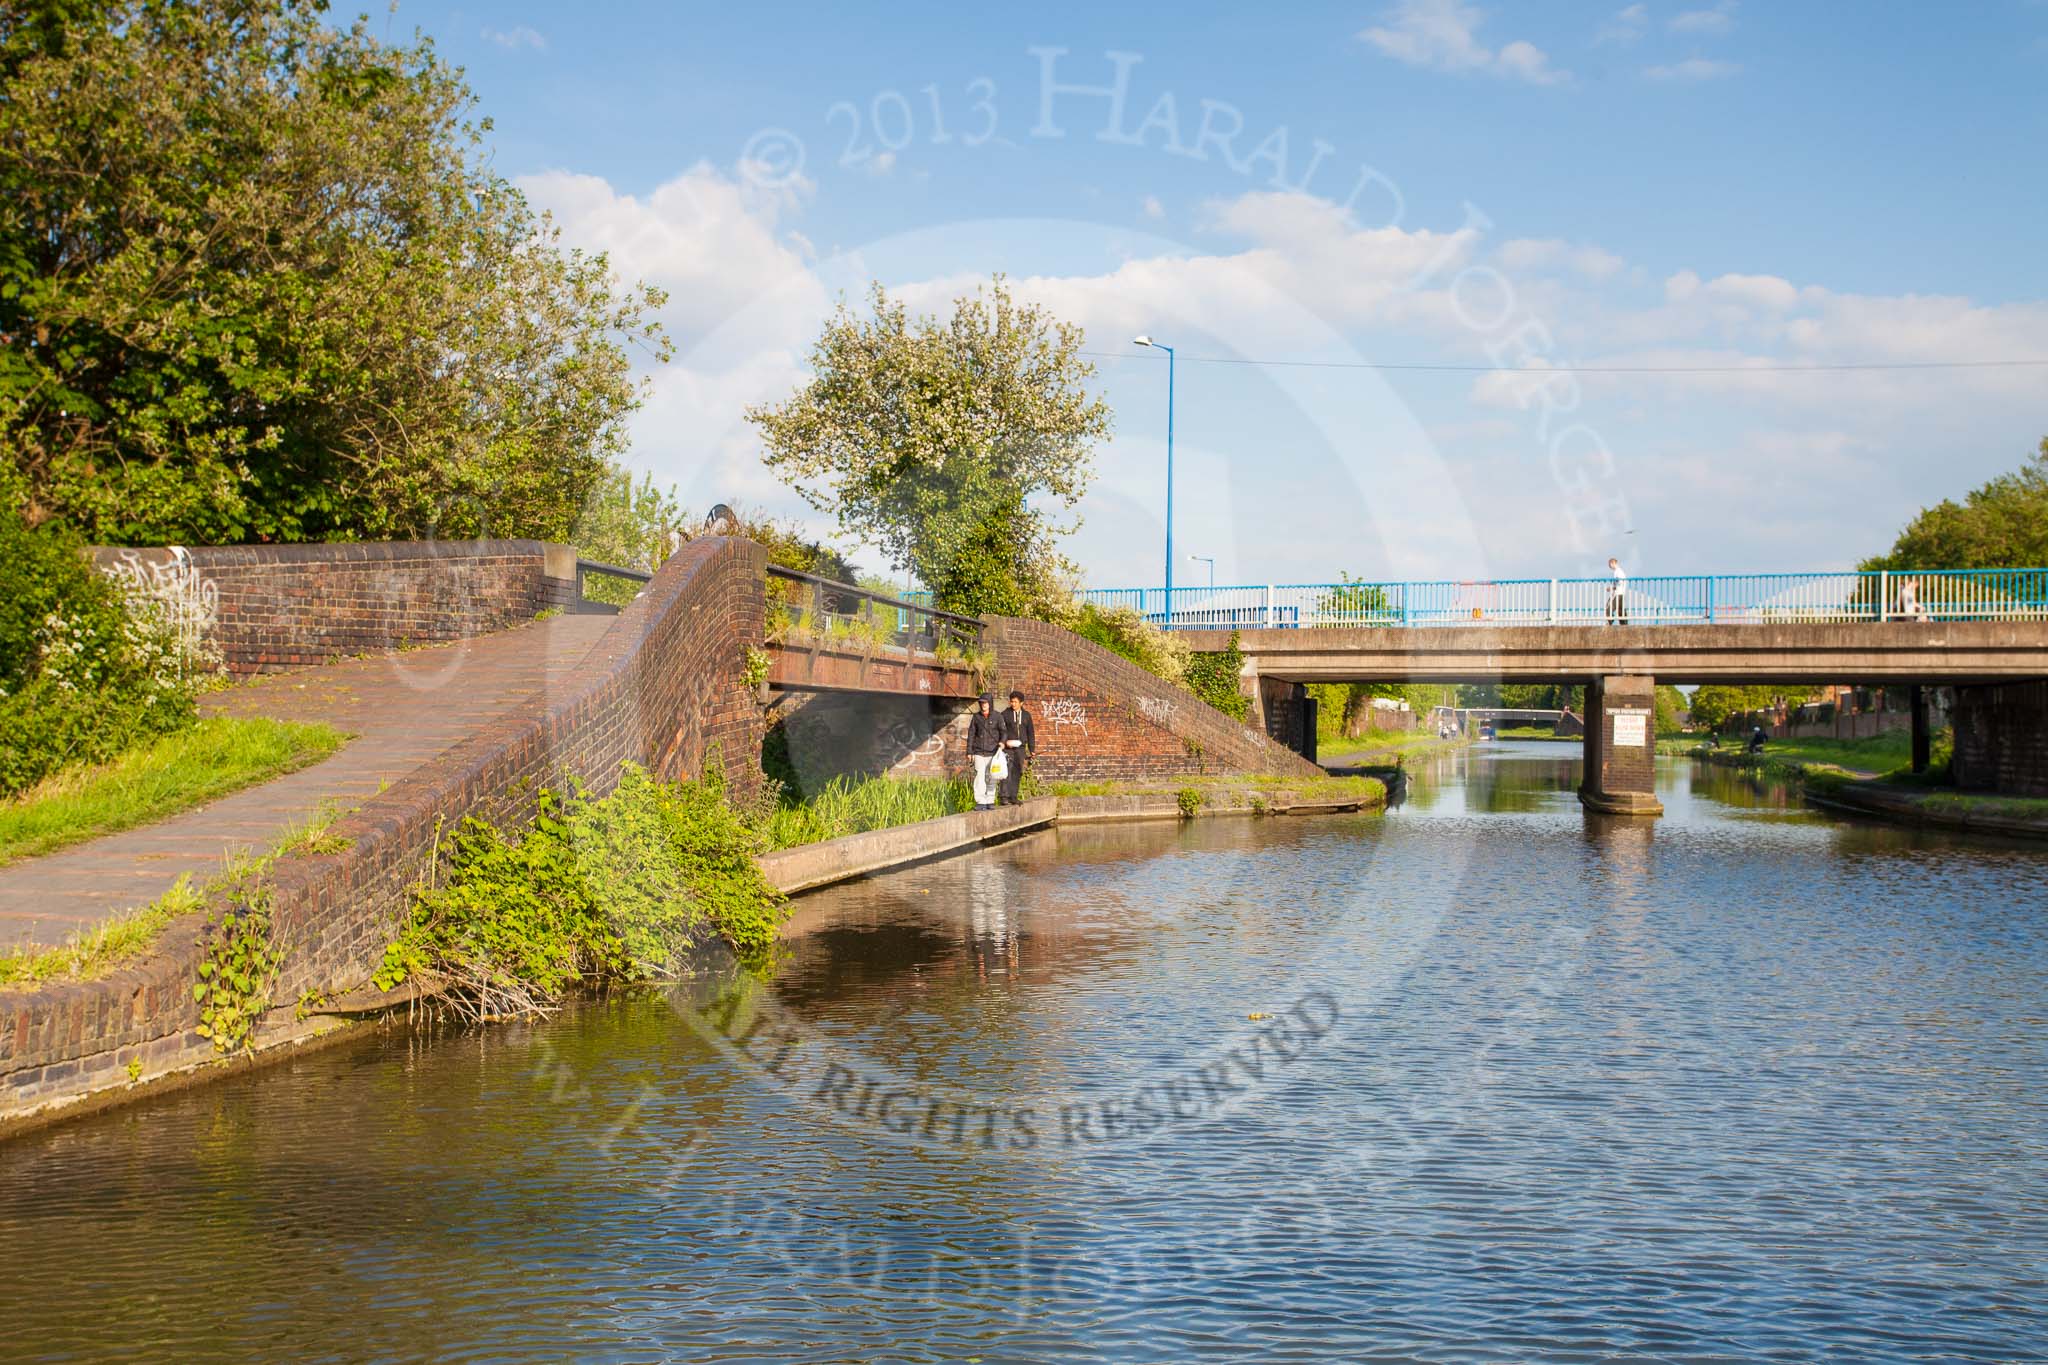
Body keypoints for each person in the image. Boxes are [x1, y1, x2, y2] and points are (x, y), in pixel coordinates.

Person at [997, 689, 1036, 806]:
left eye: (1015, 702)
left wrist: (1032, 750)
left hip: (1020, 748)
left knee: (1017, 772)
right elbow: (1000, 731)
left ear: (1021, 703)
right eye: (1011, 702)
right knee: (1006, 771)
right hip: (1008, 748)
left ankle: (1013, 796)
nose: (1013, 704)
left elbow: (1030, 733)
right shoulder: (1005, 714)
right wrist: (1004, 742)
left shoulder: (1026, 716)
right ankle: (1004, 797)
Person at [967, 692, 1003, 810]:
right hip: (978, 752)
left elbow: (1004, 732)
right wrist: (969, 752)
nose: (983, 705)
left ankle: (990, 800)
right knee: (979, 776)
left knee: (992, 777)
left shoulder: (997, 716)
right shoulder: (976, 717)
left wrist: (1002, 742)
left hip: (993, 752)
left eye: (986, 703)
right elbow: (971, 734)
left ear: (990, 703)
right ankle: (981, 802)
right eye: (981, 703)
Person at [1605, 556, 1629, 626]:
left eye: (1610, 565)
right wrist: (1612, 587)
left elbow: (1619, 581)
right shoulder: (1618, 571)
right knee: (1620, 609)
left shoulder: (1618, 571)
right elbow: (1618, 582)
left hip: (1618, 593)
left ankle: (1610, 621)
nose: (1610, 567)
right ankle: (1624, 624)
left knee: (1608, 606)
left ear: (1613, 563)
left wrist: (1612, 587)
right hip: (1621, 593)